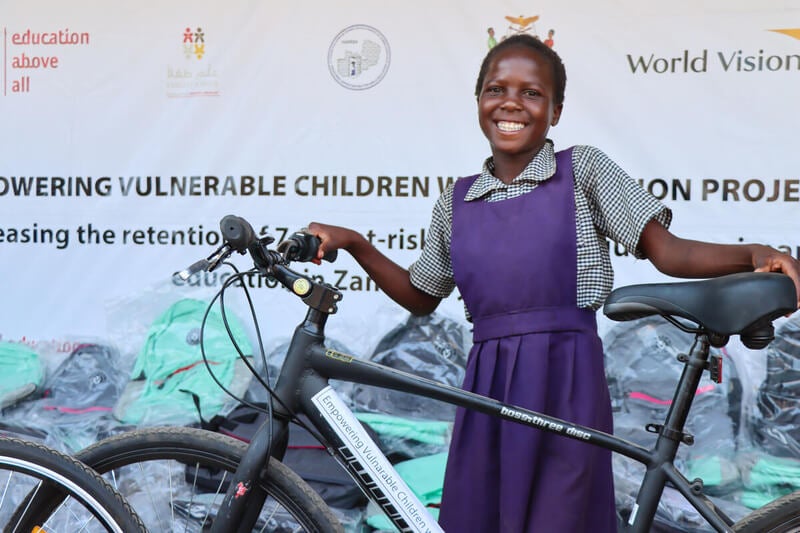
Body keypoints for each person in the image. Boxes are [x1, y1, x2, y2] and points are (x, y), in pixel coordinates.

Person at [307, 34, 800, 532]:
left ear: (556, 111)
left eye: (532, 93)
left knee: (558, 519)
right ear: (478, 100)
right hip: (486, 386)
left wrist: (753, 253)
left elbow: (668, 251)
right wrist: (356, 244)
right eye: (496, 89)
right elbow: (420, 295)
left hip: (566, 378)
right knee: (480, 516)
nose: (511, 104)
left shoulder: (581, 171)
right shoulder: (455, 203)